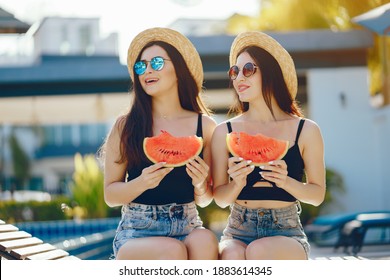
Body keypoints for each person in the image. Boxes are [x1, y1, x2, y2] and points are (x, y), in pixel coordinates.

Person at [101, 27, 218, 260]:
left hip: (188, 222)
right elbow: (110, 195)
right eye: (141, 66)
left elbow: (205, 199)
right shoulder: (126, 125)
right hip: (138, 231)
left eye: (156, 62)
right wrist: (142, 183)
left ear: (178, 69)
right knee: (172, 250)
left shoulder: (205, 126)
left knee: (206, 240)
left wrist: (201, 184)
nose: (147, 71)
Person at [211, 31, 326, 260]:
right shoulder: (224, 131)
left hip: (286, 230)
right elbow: (220, 198)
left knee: (259, 251)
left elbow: (317, 194)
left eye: (248, 70)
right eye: (234, 72)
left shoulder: (306, 130)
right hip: (237, 229)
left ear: (271, 72)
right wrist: (237, 184)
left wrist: (286, 181)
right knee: (232, 257)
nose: (238, 78)